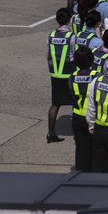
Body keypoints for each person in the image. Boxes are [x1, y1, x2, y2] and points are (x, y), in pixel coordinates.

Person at [47, 8, 76, 143]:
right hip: (69, 74)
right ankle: (78, 132)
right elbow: (75, 55)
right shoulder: (71, 36)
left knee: (55, 103)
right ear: (69, 20)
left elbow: (48, 56)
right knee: (76, 103)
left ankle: (51, 133)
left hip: (55, 74)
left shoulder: (51, 35)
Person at [69, 46, 98, 172]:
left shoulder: (72, 76)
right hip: (93, 117)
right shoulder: (97, 76)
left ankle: (80, 174)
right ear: (91, 60)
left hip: (78, 116)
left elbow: (71, 93)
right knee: (94, 148)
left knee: (80, 148)